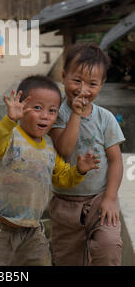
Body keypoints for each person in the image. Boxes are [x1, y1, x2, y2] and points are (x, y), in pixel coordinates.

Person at [0, 75, 100, 266]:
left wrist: (79, 171)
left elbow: (61, 179)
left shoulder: (49, 146)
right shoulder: (11, 135)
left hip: (32, 231)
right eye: (37, 108)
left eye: (52, 110)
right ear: (21, 108)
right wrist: (8, 120)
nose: (45, 116)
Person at [48, 43, 126, 266]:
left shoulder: (105, 118)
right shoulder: (55, 114)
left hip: (100, 199)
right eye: (77, 80)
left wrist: (111, 198)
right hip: (65, 203)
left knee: (108, 247)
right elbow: (65, 149)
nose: (83, 89)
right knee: (68, 258)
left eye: (92, 84)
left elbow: (116, 160)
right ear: (63, 76)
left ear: (101, 85)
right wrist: (76, 114)